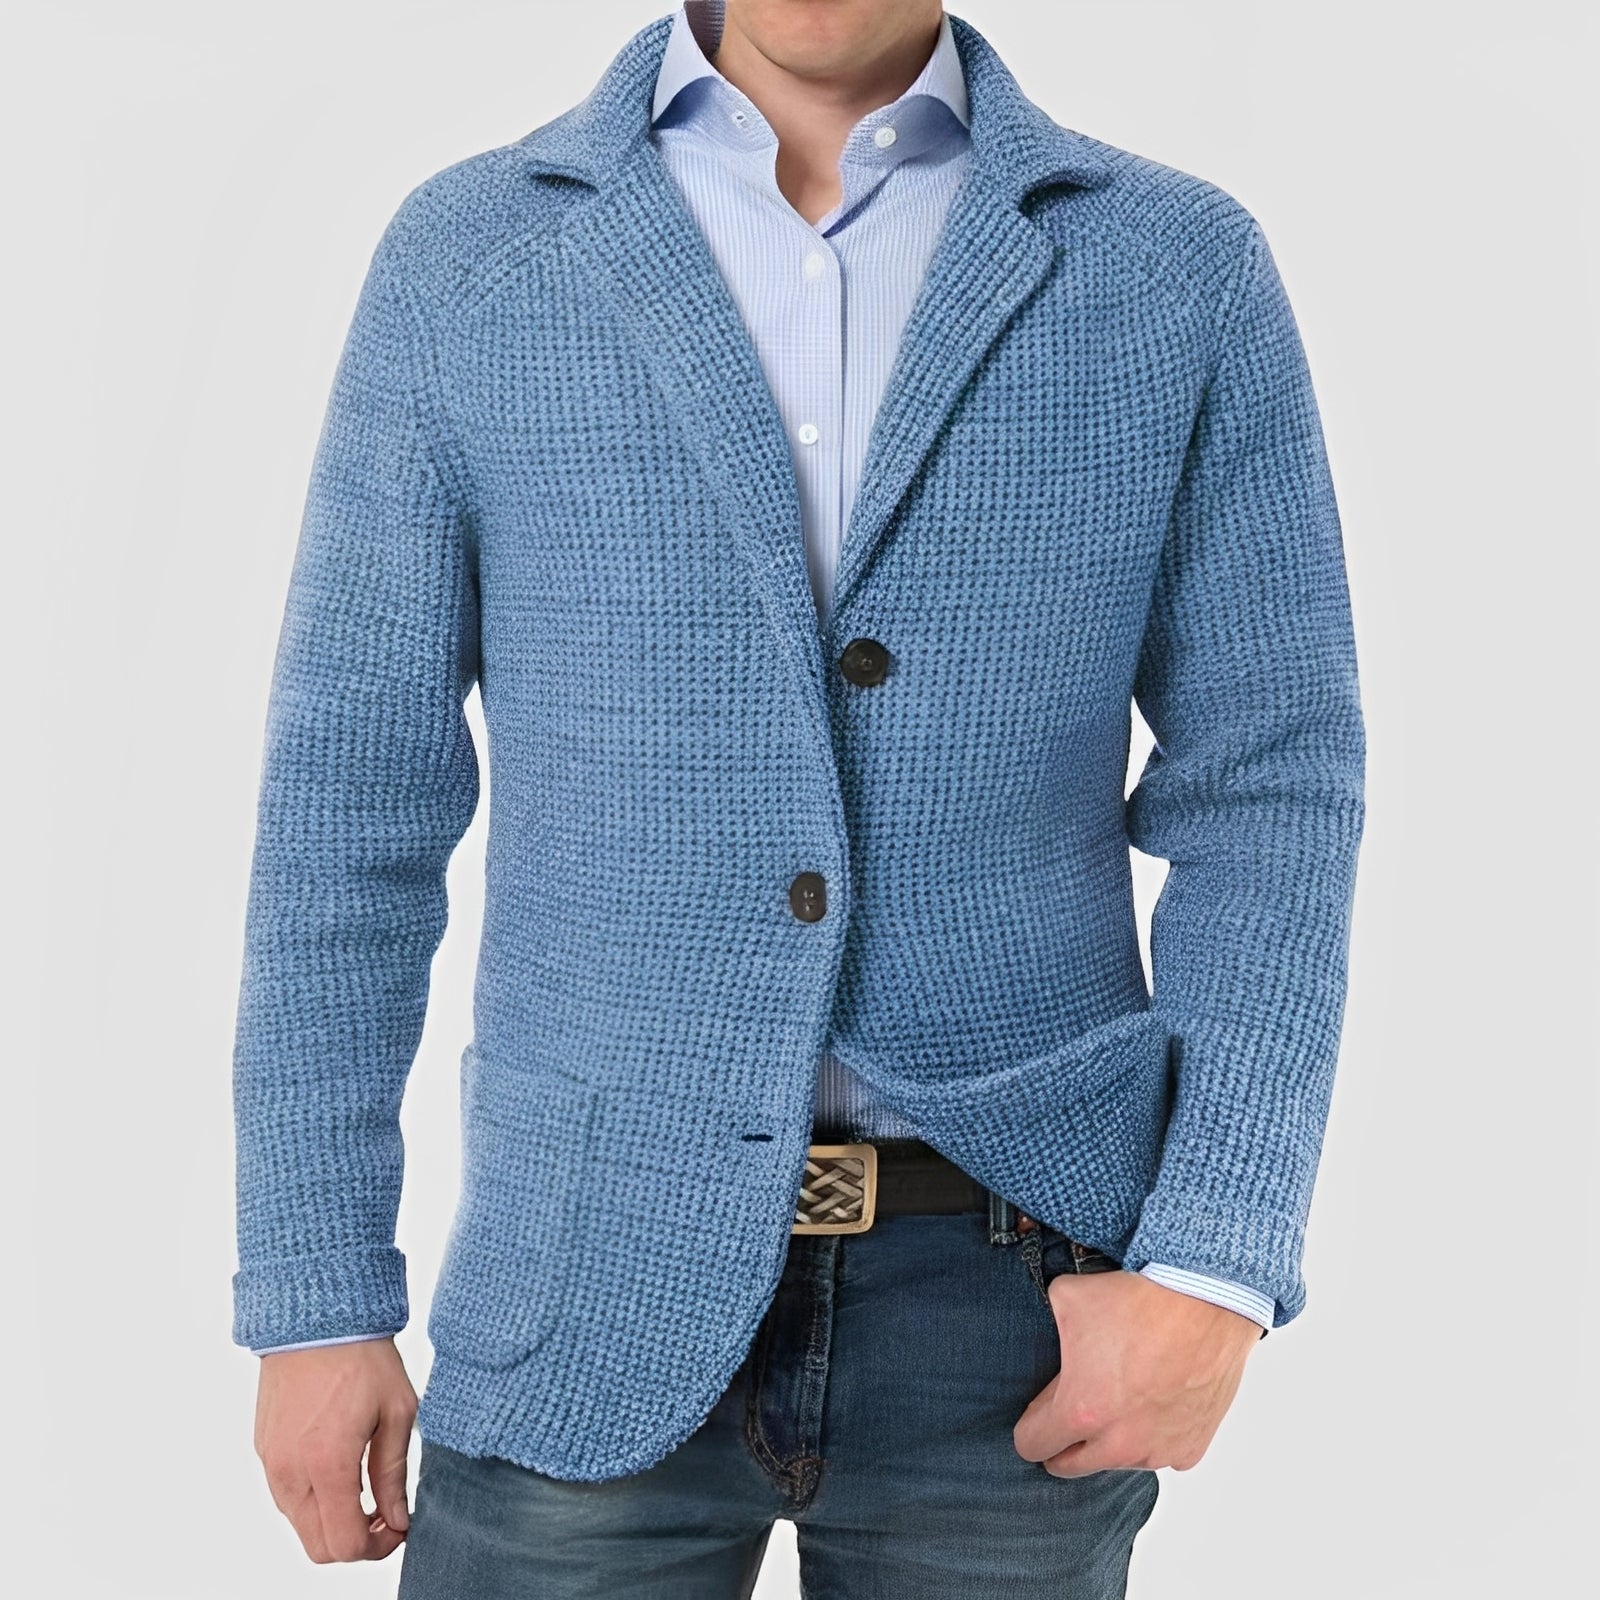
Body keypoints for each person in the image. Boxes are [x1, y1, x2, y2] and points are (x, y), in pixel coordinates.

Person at [233, 2, 1366, 1594]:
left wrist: (1216, 1262)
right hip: (582, 1276)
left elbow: (1270, 788)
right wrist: (315, 1291)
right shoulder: (475, 257)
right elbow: (351, 807)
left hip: (1018, 1301)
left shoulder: (1171, 267)